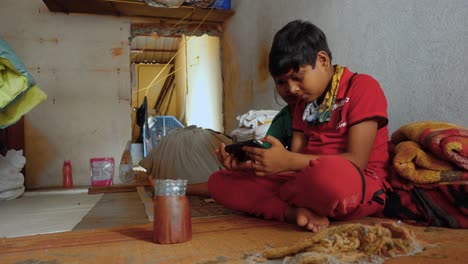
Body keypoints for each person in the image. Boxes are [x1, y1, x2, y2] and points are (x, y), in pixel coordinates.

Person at [208, 20, 390, 232]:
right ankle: (294, 212)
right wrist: (251, 166)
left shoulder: (362, 87)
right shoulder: (302, 104)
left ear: (322, 60)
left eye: (297, 77)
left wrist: (287, 163)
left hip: (354, 182)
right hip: (305, 182)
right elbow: (293, 160)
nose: (292, 89)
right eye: (283, 82)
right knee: (219, 182)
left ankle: (285, 202)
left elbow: (357, 161)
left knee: (325, 177)